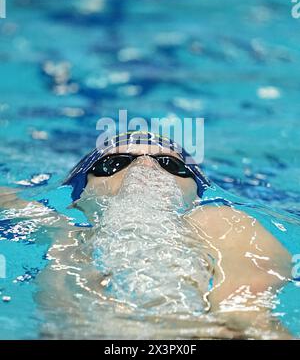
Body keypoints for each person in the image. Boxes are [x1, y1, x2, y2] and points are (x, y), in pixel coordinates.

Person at [0, 131, 292, 339]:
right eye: (116, 163)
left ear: (196, 193)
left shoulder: (221, 222)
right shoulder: (57, 226)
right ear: (79, 194)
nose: (145, 166)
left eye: (171, 165)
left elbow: (252, 320)